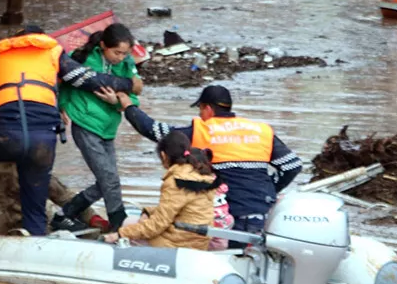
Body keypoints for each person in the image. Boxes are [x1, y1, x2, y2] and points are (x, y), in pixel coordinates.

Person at [0, 25, 137, 238]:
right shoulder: (52, 52)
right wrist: (129, 84)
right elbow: (88, 80)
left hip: (6, 133)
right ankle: (35, 234)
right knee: (35, 206)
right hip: (44, 140)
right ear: (41, 39)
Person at [116, 85, 303, 244]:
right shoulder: (260, 131)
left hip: (228, 217)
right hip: (262, 212)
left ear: (207, 109)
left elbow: (152, 129)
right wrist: (268, 189)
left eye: (200, 110)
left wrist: (128, 106)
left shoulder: (201, 131)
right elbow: (292, 166)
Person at [52, 24, 144, 233]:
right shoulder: (83, 58)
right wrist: (62, 105)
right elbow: (64, 83)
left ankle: (65, 214)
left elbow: (134, 97)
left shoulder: (126, 64)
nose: (120, 57)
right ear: (103, 45)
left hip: (109, 127)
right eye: (116, 52)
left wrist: (115, 101)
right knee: (109, 178)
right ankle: (118, 222)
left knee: (108, 180)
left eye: (125, 53)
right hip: (85, 124)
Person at [100, 131, 220, 250]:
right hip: (199, 240)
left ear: (163, 155)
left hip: (179, 243)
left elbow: (158, 224)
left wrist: (119, 234)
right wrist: (148, 211)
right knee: (133, 225)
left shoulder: (175, 181)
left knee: (128, 223)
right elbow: (179, 209)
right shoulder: (201, 174)